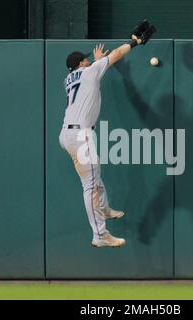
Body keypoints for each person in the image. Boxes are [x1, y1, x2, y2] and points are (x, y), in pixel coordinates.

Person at [59, 23, 156, 248]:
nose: (87, 60)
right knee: (90, 186)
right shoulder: (90, 70)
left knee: (93, 177)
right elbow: (116, 54)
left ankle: (104, 208)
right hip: (81, 136)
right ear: (80, 64)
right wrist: (134, 41)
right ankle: (100, 235)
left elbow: (88, 71)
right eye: (85, 59)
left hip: (67, 135)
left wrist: (95, 61)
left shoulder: (69, 79)